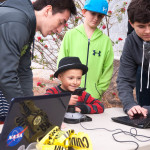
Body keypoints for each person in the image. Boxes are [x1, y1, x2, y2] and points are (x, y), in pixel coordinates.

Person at [0, 0, 77, 121]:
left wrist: (32, 110)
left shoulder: (27, 26)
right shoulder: (17, 23)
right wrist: (29, 115)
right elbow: (7, 75)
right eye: (60, 22)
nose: (59, 30)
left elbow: (23, 71)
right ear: (47, 10)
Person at [57, 0, 114, 101]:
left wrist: (99, 90)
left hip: (93, 97)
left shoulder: (106, 41)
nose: (96, 18)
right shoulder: (71, 35)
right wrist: (66, 86)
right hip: (70, 95)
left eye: (100, 15)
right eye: (93, 13)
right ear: (84, 12)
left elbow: (108, 68)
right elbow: (61, 61)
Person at [117, 0, 150, 117]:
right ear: (131, 24)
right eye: (141, 26)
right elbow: (124, 79)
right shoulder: (131, 41)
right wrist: (130, 105)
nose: (148, 31)